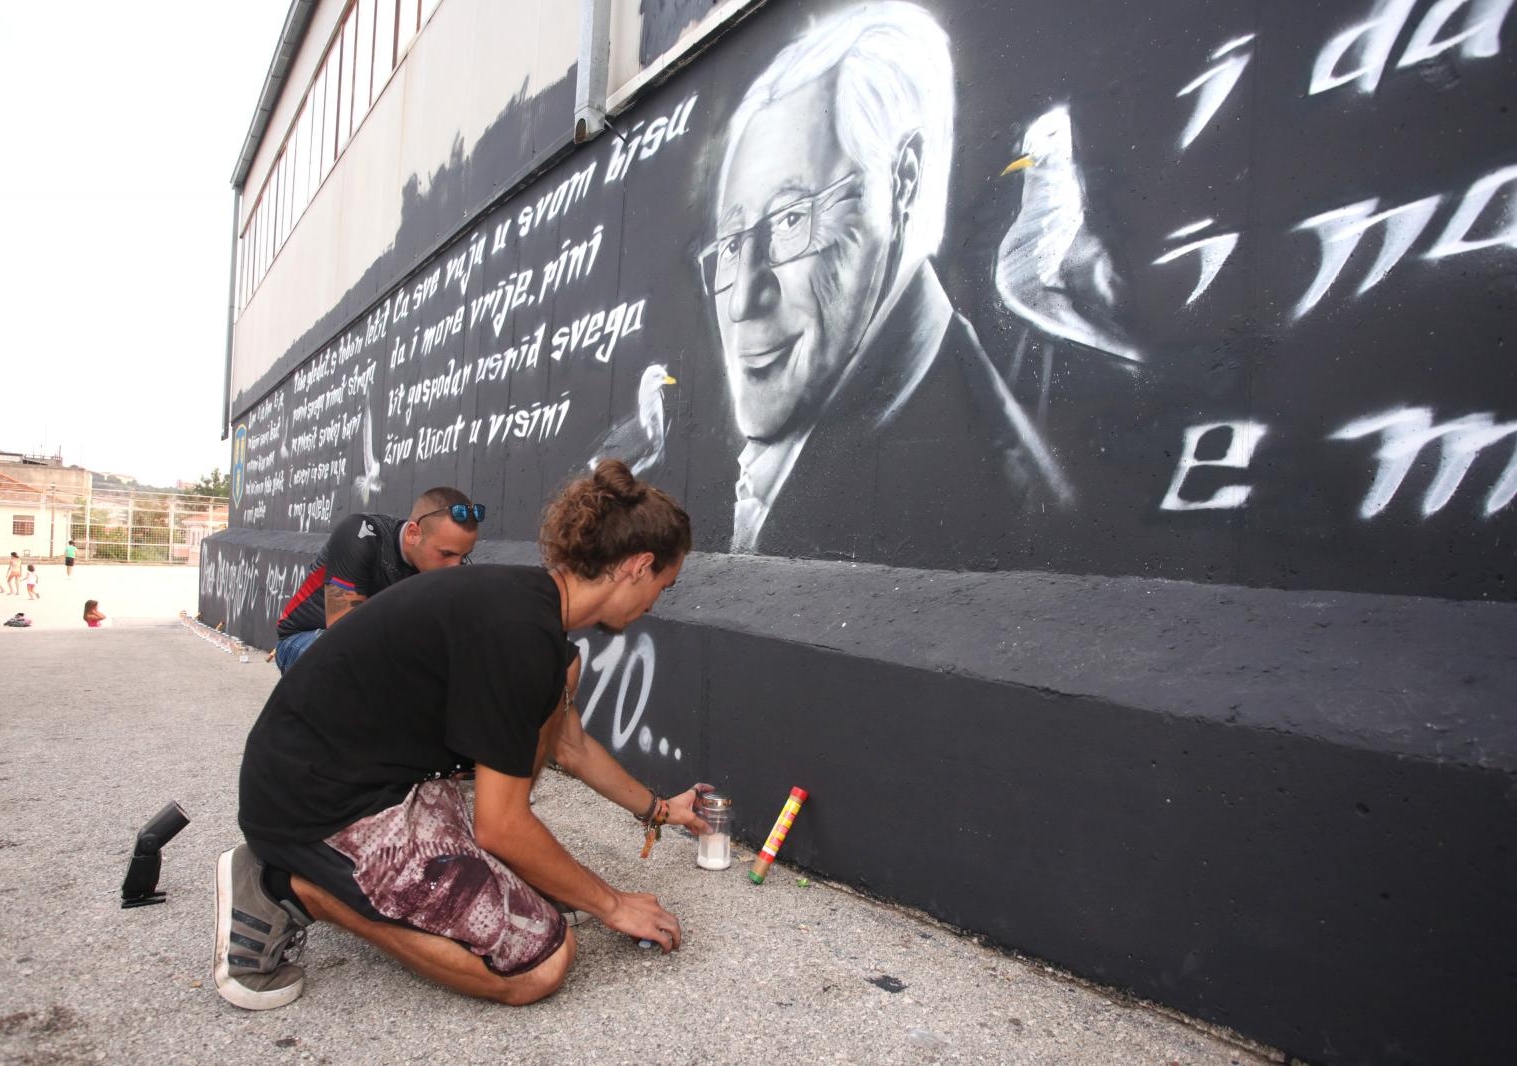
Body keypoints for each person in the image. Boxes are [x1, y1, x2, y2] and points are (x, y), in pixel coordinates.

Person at [215, 460, 700, 1011]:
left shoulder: (536, 620)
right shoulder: (520, 637)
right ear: (638, 566)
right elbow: (502, 827)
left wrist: (660, 810)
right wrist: (612, 904)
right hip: (317, 803)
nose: (657, 601)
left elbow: (571, 745)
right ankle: (286, 888)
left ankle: (321, 873)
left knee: (543, 893)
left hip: (366, 777)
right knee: (540, 964)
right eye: (665, 582)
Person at [700, 2, 1070, 564]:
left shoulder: (969, 487)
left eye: (792, 219)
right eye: (731, 246)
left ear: (903, 182)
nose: (743, 299)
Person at [270, 486, 482, 673]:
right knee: (359, 665)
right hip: (304, 639)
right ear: (413, 533)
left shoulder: (448, 569)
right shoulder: (359, 536)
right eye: (446, 554)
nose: (456, 567)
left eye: (463, 556)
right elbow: (343, 637)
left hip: (375, 647)